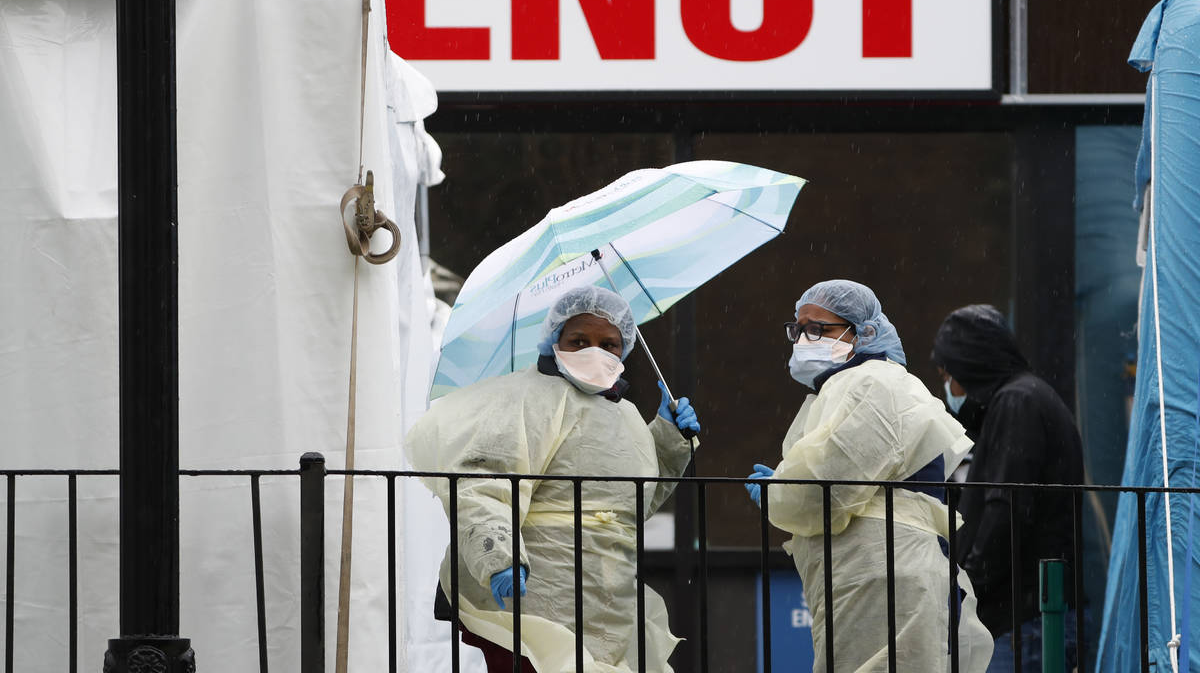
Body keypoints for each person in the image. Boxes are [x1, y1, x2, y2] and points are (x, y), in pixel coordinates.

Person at [406, 285, 700, 673]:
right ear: (553, 341)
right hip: (532, 592)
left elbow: (631, 501)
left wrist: (668, 438)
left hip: (607, 599)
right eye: (579, 340)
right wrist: (500, 557)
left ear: (625, 349)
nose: (595, 351)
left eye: (608, 343)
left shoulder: (625, 414)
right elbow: (484, 480)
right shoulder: (527, 398)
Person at [745, 279, 993, 673]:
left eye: (818, 328)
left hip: (882, 572)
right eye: (798, 328)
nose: (803, 339)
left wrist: (780, 492)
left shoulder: (872, 380)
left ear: (863, 332)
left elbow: (823, 489)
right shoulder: (851, 386)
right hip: (875, 571)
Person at [932, 304, 1084, 672]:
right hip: (1028, 614)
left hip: (1021, 620)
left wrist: (968, 585)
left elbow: (1006, 508)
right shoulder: (1025, 397)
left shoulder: (1017, 402)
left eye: (947, 374)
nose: (948, 387)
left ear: (969, 368)